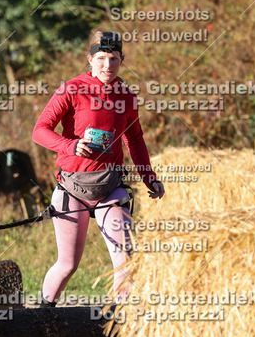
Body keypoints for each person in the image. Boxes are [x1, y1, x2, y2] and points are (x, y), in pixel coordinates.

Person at [32, 31, 164, 305]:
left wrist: (149, 178)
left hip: (110, 188)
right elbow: (40, 131)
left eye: (114, 58)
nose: (107, 65)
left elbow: (135, 140)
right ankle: (43, 315)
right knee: (68, 264)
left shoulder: (127, 97)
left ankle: (119, 321)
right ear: (90, 59)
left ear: (122, 60)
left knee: (126, 261)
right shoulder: (71, 89)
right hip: (72, 188)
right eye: (101, 58)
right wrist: (70, 146)